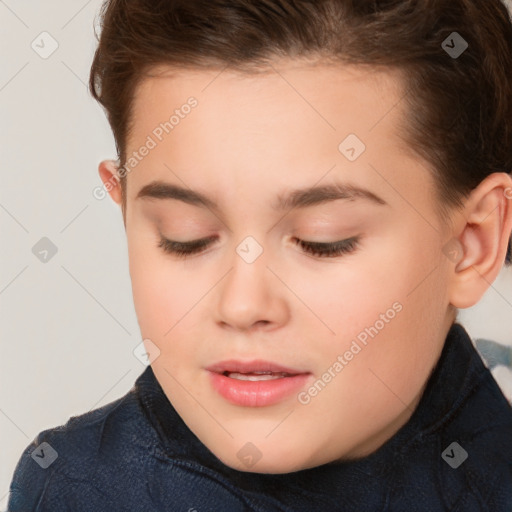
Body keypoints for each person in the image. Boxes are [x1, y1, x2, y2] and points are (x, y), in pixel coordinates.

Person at [7, 0, 512, 510]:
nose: (243, 304)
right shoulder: (74, 489)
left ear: (472, 244)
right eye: (185, 236)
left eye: (322, 240)